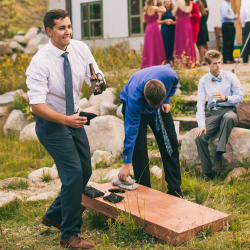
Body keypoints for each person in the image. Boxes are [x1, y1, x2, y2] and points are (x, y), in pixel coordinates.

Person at [25, 9, 105, 249]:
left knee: (86, 170)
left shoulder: (80, 48)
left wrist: (98, 83)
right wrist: (65, 120)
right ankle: (69, 235)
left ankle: (53, 214)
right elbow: (36, 106)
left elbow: (95, 76)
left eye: (69, 26)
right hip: (51, 124)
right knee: (73, 176)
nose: (68, 31)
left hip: (74, 118)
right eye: (61, 28)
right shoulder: (39, 62)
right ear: (49, 31)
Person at [118, 64, 182, 198]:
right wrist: (126, 163)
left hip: (159, 102)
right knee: (139, 149)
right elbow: (131, 134)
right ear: (146, 100)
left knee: (170, 143)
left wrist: (166, 101)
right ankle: (145, 192)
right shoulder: (135, 99)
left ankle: (175, 191)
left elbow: (174, 86)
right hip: (137, 109)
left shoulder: (171, 76)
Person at [195, 50, 243, 180]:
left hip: (230, 111)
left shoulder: (230, 76)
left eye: (219, 62)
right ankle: (207, 172)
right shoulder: (203, 81)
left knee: (227, 118)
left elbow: (240, 97)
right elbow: (199, 104)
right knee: (199, 137)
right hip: (214, 113)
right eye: (215, 63)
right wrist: (201, 124)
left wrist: (226, 98)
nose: (218, 66)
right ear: (207, 64)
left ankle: (219, 154)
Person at [141, 0, 167, 69]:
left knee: (149, 46)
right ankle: (156, 62)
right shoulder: (154, 8)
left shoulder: (144, 9)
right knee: (156, 45)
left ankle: (148, 63)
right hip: (154, 27)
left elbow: (144, 21)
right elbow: (164, 11)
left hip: (148, 28)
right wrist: (163, 7)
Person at [172, 0, 196, 67]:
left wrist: (177, 13)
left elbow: (173, 13)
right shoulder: (190, 2)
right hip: (188, 22)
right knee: (188, 41)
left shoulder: (179, 2)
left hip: (181, 22)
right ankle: (190, 61)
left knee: (181, 40)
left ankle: (181, 62)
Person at [220, 0, 239, 64]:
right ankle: (226, 59)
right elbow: (224, 15)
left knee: (231, 42)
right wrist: (233, 17)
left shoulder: (228, 5)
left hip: (230, 25)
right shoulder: (224, 5)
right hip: (227, 25)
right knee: (227, 42)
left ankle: (231, 58)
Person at [196, 0, 209, 65]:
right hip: (204, 27)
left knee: (200, 45)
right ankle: (207, 58)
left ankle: (203, 59)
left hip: (199, 28)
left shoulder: (199, 13)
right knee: (204, 45)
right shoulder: (206, 11)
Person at [190, 0, 201, 65]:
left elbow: (198, 16)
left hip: (194, 25)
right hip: (189, 25)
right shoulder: (188, 5)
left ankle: (197, 61)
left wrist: (190, 15)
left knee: (194, 43)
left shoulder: (194, 4)